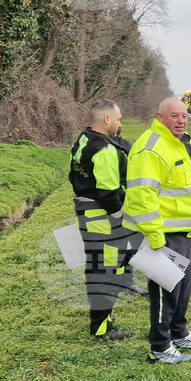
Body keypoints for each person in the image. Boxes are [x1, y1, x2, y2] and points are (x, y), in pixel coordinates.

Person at [123, 97, 191, 364]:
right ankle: (160, 346)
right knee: (165, 289)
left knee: (183, 286)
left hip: (183, 230)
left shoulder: (182, 142)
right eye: (174, 116)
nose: (181, 121)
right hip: (164, 233)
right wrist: (155, 237)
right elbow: (142, 197)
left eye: (184, 116)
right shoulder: (151, 148)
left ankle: (179, 332)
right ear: (160, 117)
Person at [69, 99, 141, 339]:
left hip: (87, 215)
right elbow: (109, 192)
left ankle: (103, 321)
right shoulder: (106, 150)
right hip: (102, 219)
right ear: (107, 119)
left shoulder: (85, 139)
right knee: (105, 272)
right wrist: (123, 221)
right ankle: (102, 328)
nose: (120, 123)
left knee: (99, 268)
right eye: (119, 119)